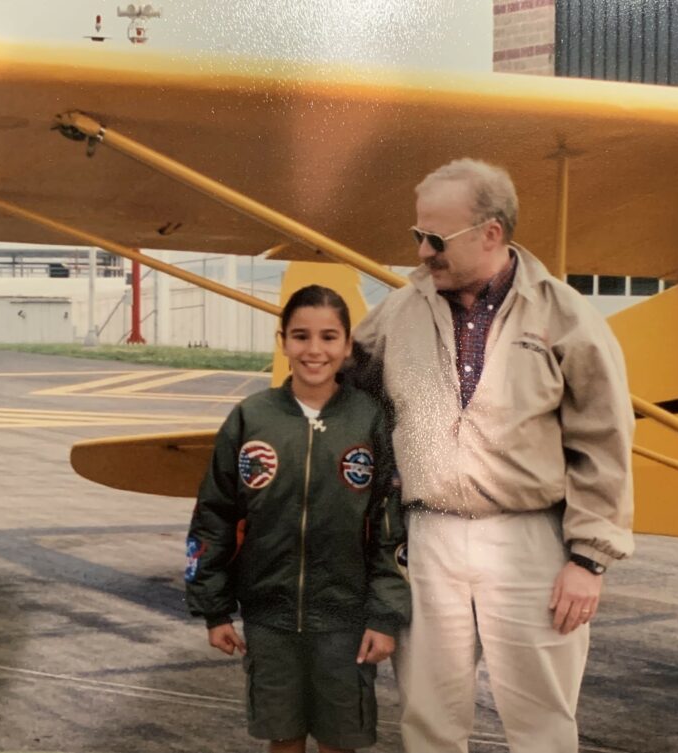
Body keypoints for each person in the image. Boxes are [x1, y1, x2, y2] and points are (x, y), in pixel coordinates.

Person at [351, 159, 635, 753]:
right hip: (427, 538)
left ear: (492, 233)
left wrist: (589, 559)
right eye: (417, 236)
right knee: (427, 721)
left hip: (532, 541)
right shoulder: (401, 313)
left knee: (543, 725)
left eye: (437, 238)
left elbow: (604, 439)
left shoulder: (564, 315)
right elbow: (346, 392)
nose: (423, 251)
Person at [185, 284, 410, 753]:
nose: (314, 350)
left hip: (346, 620)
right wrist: (214, 608)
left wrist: (384, 616)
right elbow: (215, 515)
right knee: (283, 738)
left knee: (339, 740)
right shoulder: (251, 418)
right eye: (300, 336)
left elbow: (390, 527)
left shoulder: (369, 421)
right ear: (282, 340)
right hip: (270, 619)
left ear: (348, 346)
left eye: (329, 337)